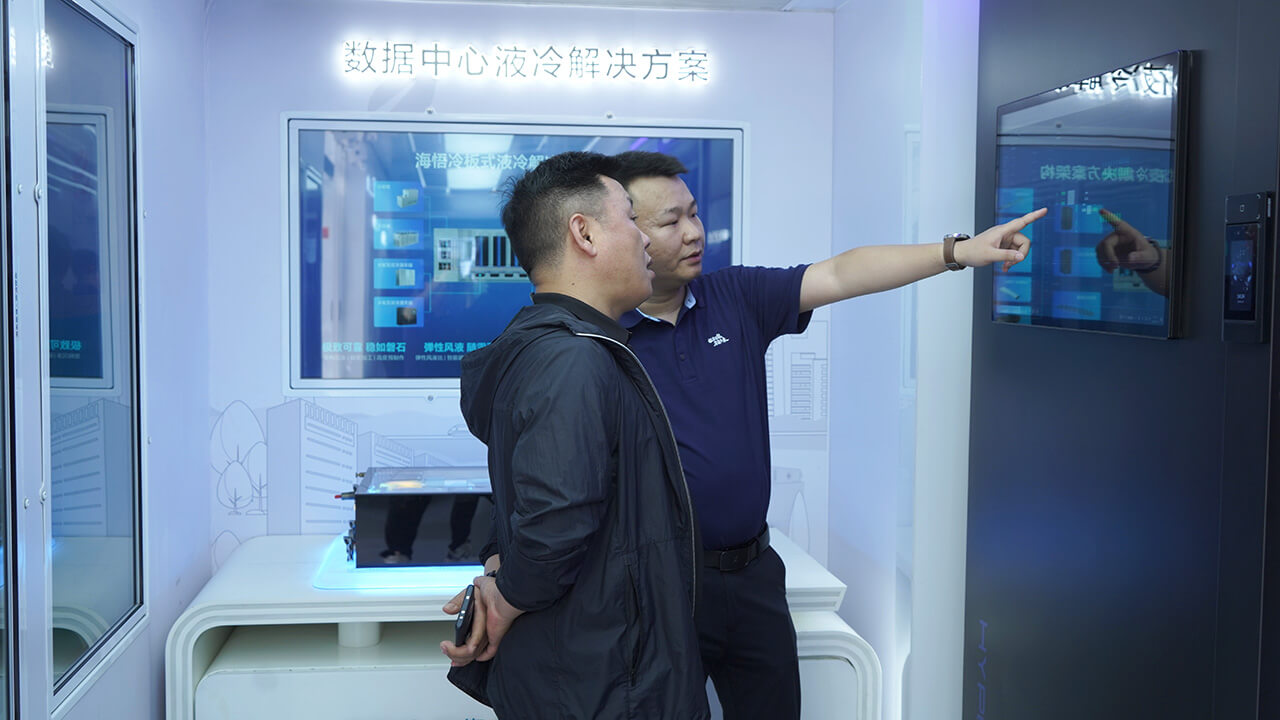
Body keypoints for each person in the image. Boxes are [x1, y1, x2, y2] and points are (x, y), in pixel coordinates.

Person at [603, 150, 1045, 720]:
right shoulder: (599, 335)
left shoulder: (733, 297)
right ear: (627, 231)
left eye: (694, 213)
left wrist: (955, 252)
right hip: (660, 586)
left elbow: (841, 272)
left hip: (752, 575)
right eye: (671, 221)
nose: (694, 232)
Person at [443, 151, 709, 720]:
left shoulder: (548, 348)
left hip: (588, 674)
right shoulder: (571, 359)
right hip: (605, 685)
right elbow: (554, 520)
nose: (645, 239)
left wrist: (498, 575)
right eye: (631, 219)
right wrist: (507, 598)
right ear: (583, 233)